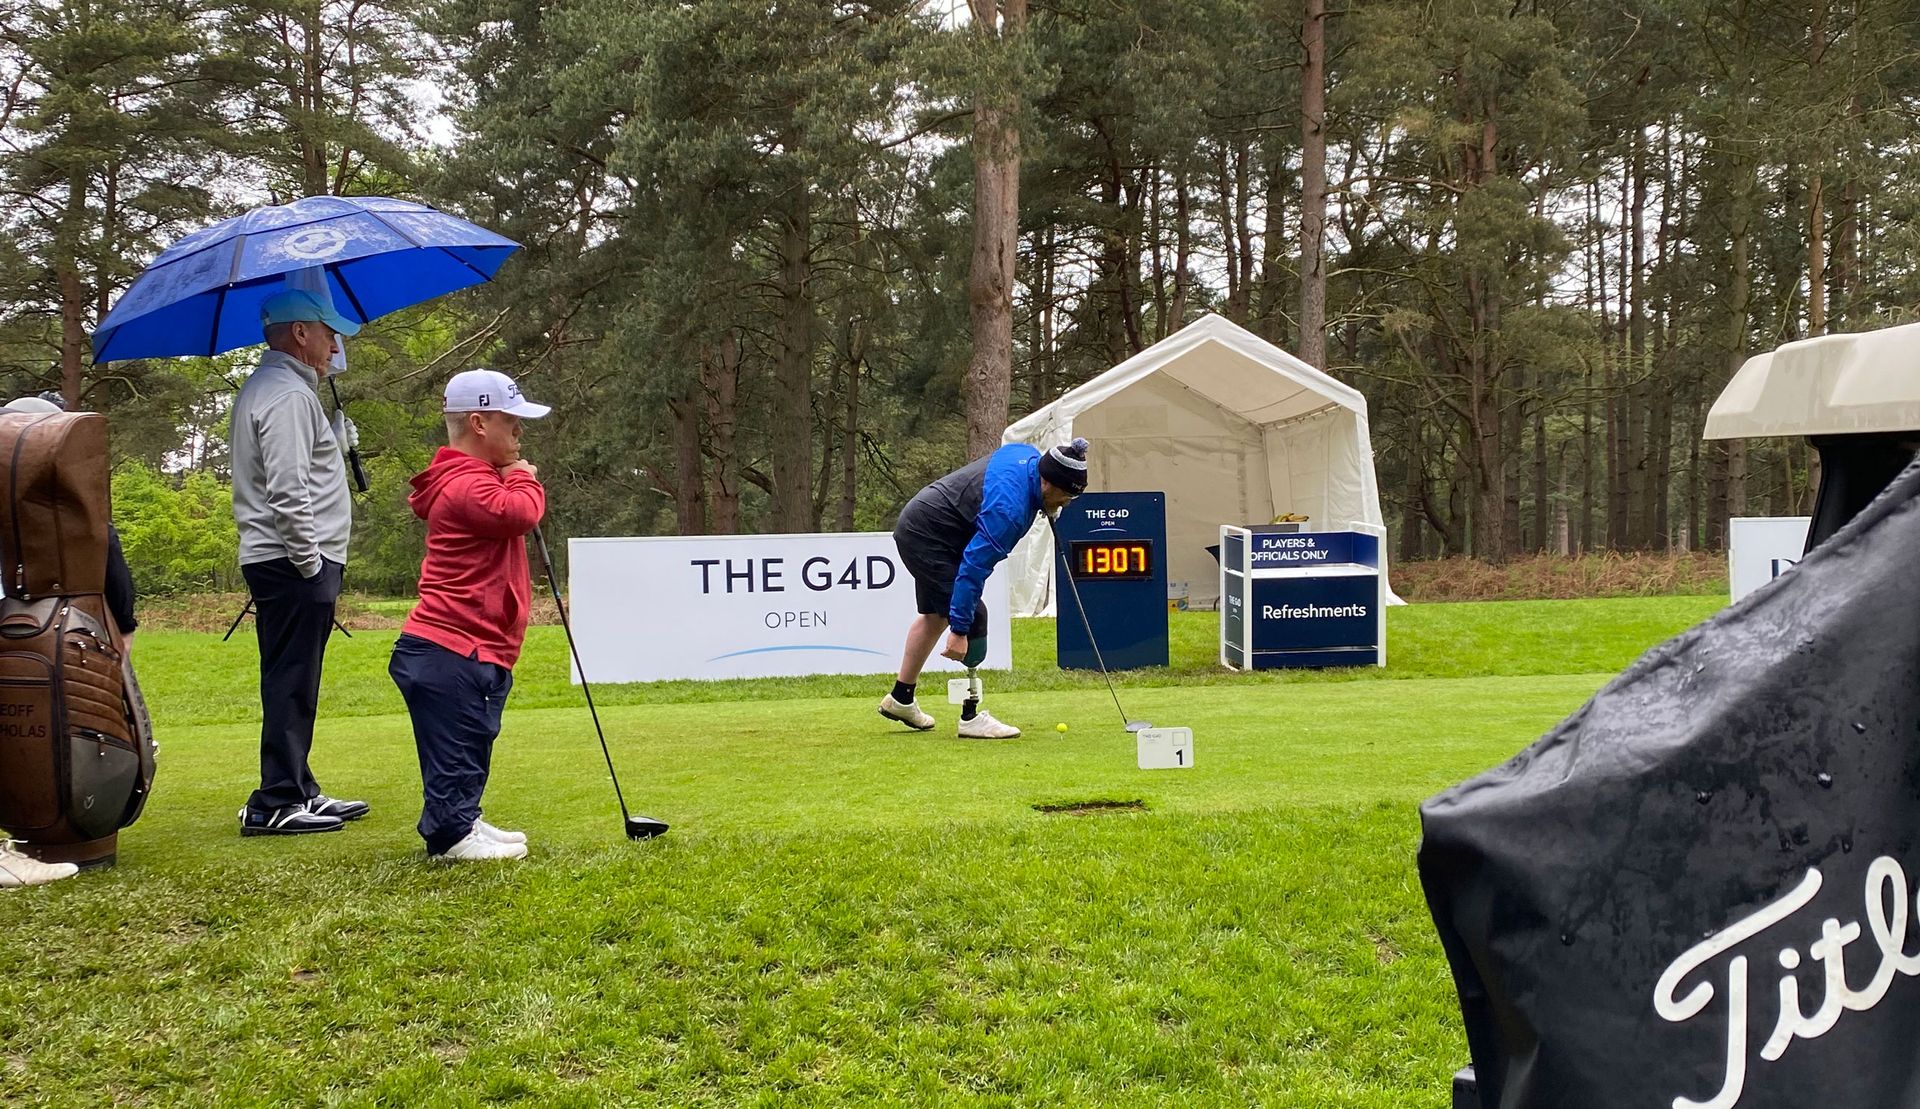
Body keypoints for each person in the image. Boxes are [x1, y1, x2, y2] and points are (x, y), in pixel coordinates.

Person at [388, 369, 550, 863]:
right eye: (512, 421)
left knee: (472, 736)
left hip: (462, 645)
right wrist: (522, 475)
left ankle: (465, 817)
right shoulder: (466, 485)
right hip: (452, 645)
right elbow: (518, 513)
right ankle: (450, 836)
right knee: (456, 745)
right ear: (479, 422)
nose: (520, 433)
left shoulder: (472, 479)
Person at [230, 290, 367, 836]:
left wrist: (331, 442)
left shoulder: (284, 390)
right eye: (327, 331)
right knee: (291, 678)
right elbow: (287, 489)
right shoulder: (286, 394)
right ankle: (276, 801)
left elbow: (298, 468)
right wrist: (310, 563)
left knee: (296, 676)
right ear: (299, 333)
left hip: (286, 559)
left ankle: (298, 787)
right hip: (292, 562)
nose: (335, 343)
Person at [880, 438, 1091, 739]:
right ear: (1047, 483)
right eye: (1065, 496)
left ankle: (901, 699)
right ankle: (970, 717)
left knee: (935, 616)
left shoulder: (1028, 455)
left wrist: (1048, 504)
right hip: (928, 535)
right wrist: (960, 630)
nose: (1067, 503)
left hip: (929, 520)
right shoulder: (1008, 514)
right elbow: (973, 569)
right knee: (973, 616)